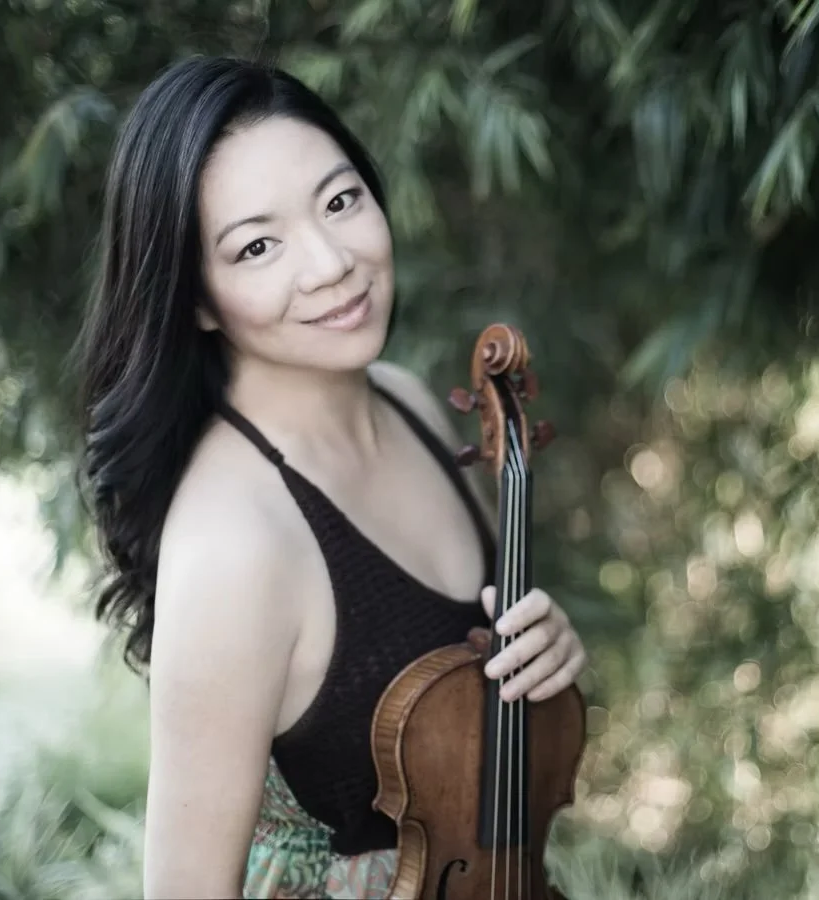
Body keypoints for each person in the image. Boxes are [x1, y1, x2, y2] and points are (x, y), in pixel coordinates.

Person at [74, 55, 588, 899]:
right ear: (196, 298)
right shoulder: (235, 540)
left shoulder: (411, 403)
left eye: (340, 201)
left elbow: (471, 722)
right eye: (258, 245)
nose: (329, 264)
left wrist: (544, 654)